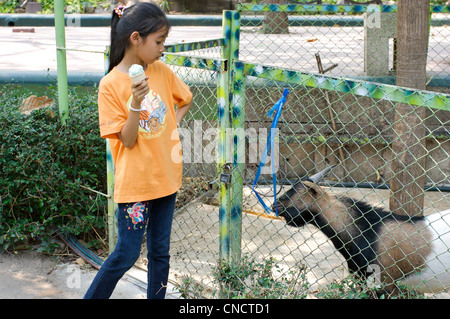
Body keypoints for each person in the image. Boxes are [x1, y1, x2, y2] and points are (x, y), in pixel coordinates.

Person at [84, 2, 192, 299]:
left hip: (166, 178)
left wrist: (171, 127)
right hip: (136, 186)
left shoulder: (161, 71)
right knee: (126, 253)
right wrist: (135, 102)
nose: (162, 49)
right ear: (135, 38)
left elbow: (184, 100)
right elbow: (128, 140)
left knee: (160, 253)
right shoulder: (110, 85)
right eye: (158, 42)